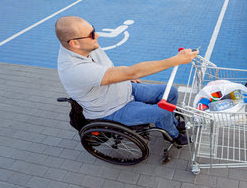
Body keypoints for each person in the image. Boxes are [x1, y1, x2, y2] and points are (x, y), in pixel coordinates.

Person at [55, 16, 198, 145]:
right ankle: (172, 134)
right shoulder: (74, 69)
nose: (97, 35)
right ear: (74, 43)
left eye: (94, 29)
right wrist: (176, 60)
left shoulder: (84, 47)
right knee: (164, 110)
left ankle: (167, 124)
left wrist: (124, 76)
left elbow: (111, 70)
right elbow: (132, 71)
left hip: (123, 88)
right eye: (92, 34)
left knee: (171, 91)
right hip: (113, 108)